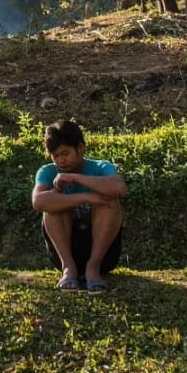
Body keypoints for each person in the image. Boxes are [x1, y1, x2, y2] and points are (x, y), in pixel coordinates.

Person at [31, 118, 126, 293]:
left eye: (65, 153)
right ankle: (69, 269)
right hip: (64, 253)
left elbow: (119, 188)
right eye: (56, 156)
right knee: (52, 205)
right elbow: (38, 202)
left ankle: (93, 268)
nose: (60, 160)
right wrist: (85, 197)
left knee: (109, 201)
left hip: (103, 254)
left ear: (80, 148)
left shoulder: (100, 167)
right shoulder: (48, 172)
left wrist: (75, 178)